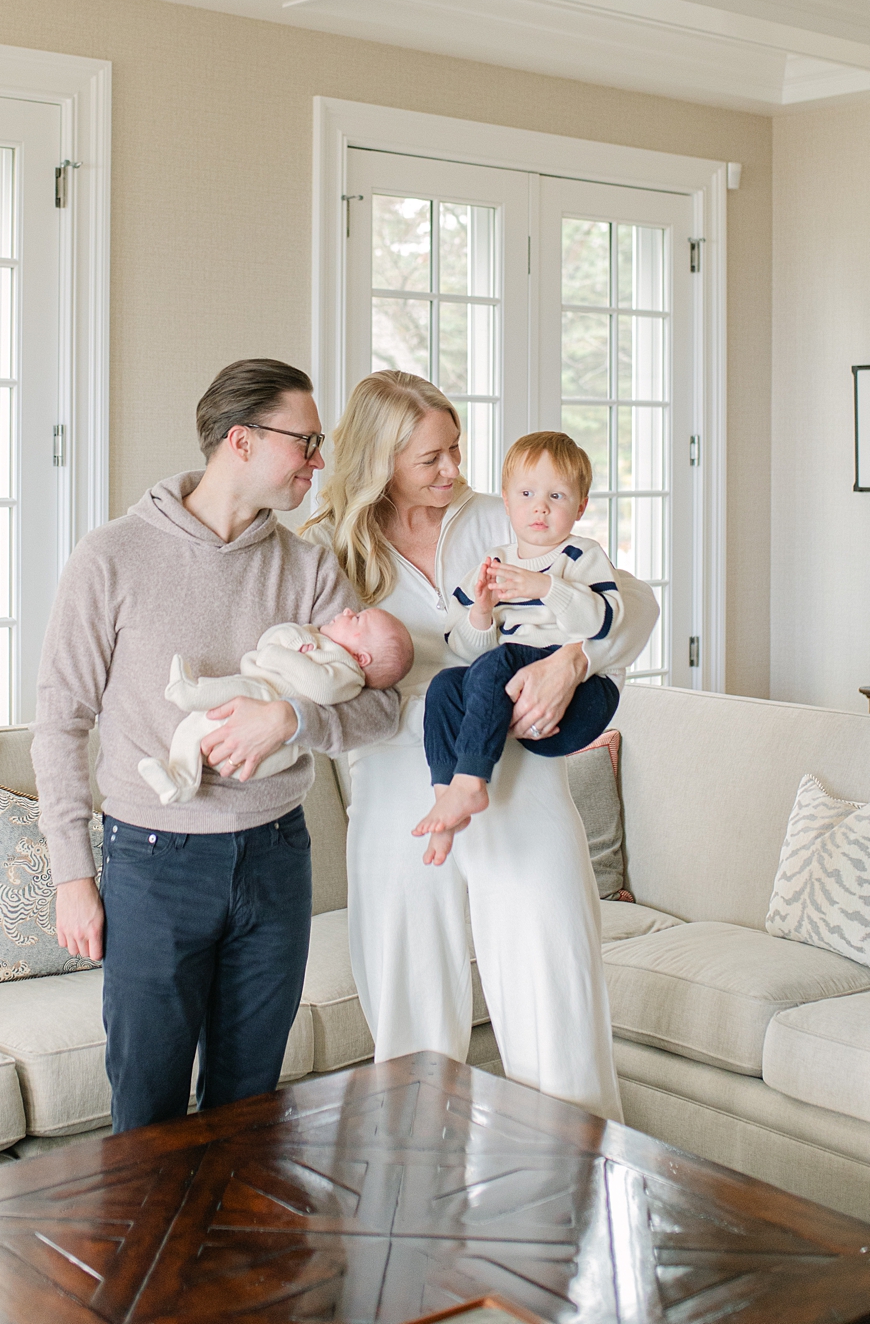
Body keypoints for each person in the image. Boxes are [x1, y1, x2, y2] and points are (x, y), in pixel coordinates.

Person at [37, 358, 404, 1133]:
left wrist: (294, 722)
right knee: (148, 1113)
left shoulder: (308, 567)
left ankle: (234, 1259)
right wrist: (72, 872)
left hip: (276, 858)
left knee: (251, 1113)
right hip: (152, 863)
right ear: (240, 439)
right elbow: (60, 719)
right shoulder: (111, 558)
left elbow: (384, 710)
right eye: (305, 442)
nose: (318, 461)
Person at [301, 371, 656, 1122]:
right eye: (432, 458)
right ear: (381, 460)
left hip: (521, 779)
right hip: (402, 789)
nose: (453, 470)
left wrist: (573, 661)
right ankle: (420, 1218)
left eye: (455, 450)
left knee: (555, 1000)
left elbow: (637, 604)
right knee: (412, 1028)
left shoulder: (503, 517)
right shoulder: (326, 551)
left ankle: (576, 1205)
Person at [415, 431, 623, 863]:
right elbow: (466, 650)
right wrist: (482, 612)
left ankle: (473, 780)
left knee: (502, 660)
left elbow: (604, 620)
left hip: (582, 700)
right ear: (507, 502)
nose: (540, 506)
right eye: (526, 493)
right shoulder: (494, 561)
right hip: (518, 698)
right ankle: (447, 796)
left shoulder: (582, 555)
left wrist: (546, 586)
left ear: (581, 506)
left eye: (557, 495)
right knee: (446, 684)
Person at [137, 608, 412, 805]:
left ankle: (190, 693)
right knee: (192, 727)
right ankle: (180, 782)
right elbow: (274, 636)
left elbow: (320, 686)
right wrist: (294, 640)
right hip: (242, 726)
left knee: (242, 691)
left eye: (358, 619)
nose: (349, 610)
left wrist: (280, 659)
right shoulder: (319, 639)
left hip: (266, 738)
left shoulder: (347, 672)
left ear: (361, 656)